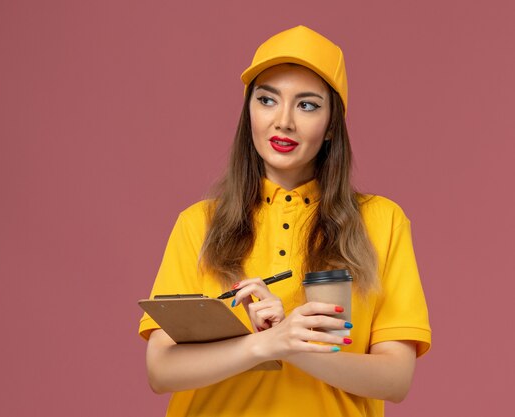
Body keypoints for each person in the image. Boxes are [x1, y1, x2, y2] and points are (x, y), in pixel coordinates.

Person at [138, 25, 431, 417]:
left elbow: (395, 379)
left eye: (307, 105)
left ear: (331, 126)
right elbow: (161, 370)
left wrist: (293, 346)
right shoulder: (198, 224)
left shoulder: (382, 221)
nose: (283, 121)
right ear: (249, 112)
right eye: (267, 100)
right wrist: (267, 343)